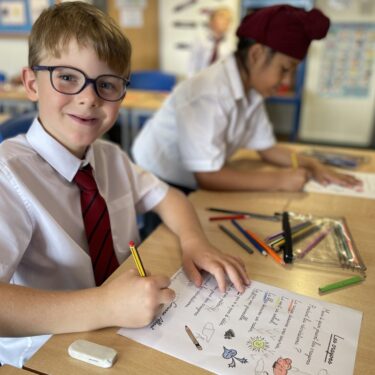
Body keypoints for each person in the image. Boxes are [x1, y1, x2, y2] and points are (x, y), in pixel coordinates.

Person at [0, 2, 249, 367]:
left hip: (124, 329)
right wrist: (105, 305)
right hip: (45, 354)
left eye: (106, 84)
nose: (89, 97)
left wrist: (195, 242)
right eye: (67, 77)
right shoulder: (8, 175)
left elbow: (170, 198)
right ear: (31, 83)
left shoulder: (110, 158)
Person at [132, 5, 360, 193]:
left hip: (202, 171)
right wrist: (279, 181)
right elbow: (208, 178)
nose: (287, 81)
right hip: (160, 176)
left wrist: (312, 163)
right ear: (257, 54)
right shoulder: (208, 93)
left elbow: (267, 148)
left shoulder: (252, 89)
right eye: (284, 69)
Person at [187, 7, 233, 77]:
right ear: (212, 21)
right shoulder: (201, 39)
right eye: (222, 18)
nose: (226, 22)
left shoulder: (230, 42)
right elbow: (192, 63)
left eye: (228, 19)